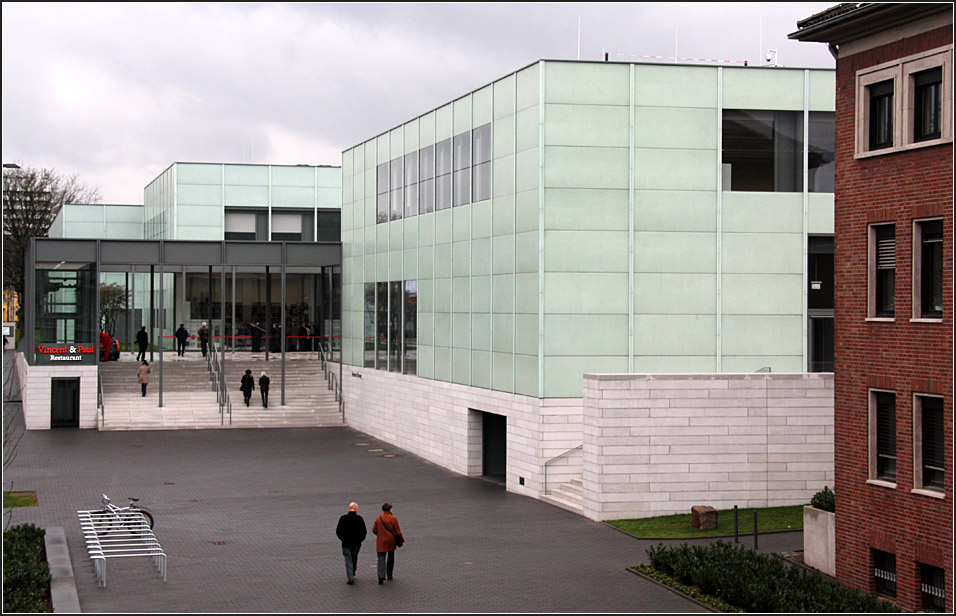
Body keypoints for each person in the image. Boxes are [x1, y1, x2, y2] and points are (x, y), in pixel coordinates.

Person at [372, 502, 404, 584]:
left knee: (381, 559)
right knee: (391, 557)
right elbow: (398, 531)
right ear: (389, 509)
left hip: (381, 541)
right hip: (391, 541)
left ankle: (381, 576)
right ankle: (389, 574)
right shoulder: (393, 518)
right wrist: (402, 540)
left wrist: (380, 535)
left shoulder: (378, 518)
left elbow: (374, 530)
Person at [336, 502, 367, 585]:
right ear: (356, 509)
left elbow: (338, 531)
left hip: (346, 543)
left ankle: (350, 577)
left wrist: (342, 539)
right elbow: (363, 531)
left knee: (348, 560)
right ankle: (353, 572)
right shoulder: (359, 519)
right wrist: (360, 540)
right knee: (354, 557)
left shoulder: (343, 518)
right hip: (356, 543)